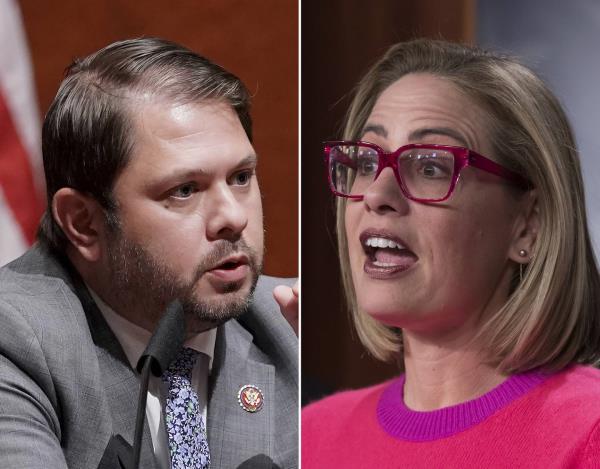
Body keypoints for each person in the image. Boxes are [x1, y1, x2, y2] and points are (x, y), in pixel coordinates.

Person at [0, 38, 298, 469]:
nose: (233, 218)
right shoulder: (16, 341)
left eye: (240, 177)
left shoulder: (293, 330)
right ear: (84, 222)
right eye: (184, 190)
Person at [302, 39, 600, 468]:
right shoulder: (313, 436)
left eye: (429, 167)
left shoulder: (588, 434)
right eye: (367, 163)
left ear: (528, 223)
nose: (377, 194)